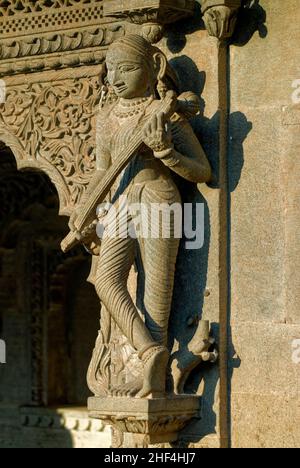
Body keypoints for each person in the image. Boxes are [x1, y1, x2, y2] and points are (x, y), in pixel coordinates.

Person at [69, 34, 211, 398]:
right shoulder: (106, 118)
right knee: (105, 281)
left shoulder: (165, 112)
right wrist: (85, 213)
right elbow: (103, 171)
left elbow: (202, 170)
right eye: (111, 70)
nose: (115, 78)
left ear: (154, 69)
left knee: (155, 293)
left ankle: (155, 379)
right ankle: (152, 352)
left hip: (157, 197)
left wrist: (166, 153)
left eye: (127, 69)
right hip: (118, 202)